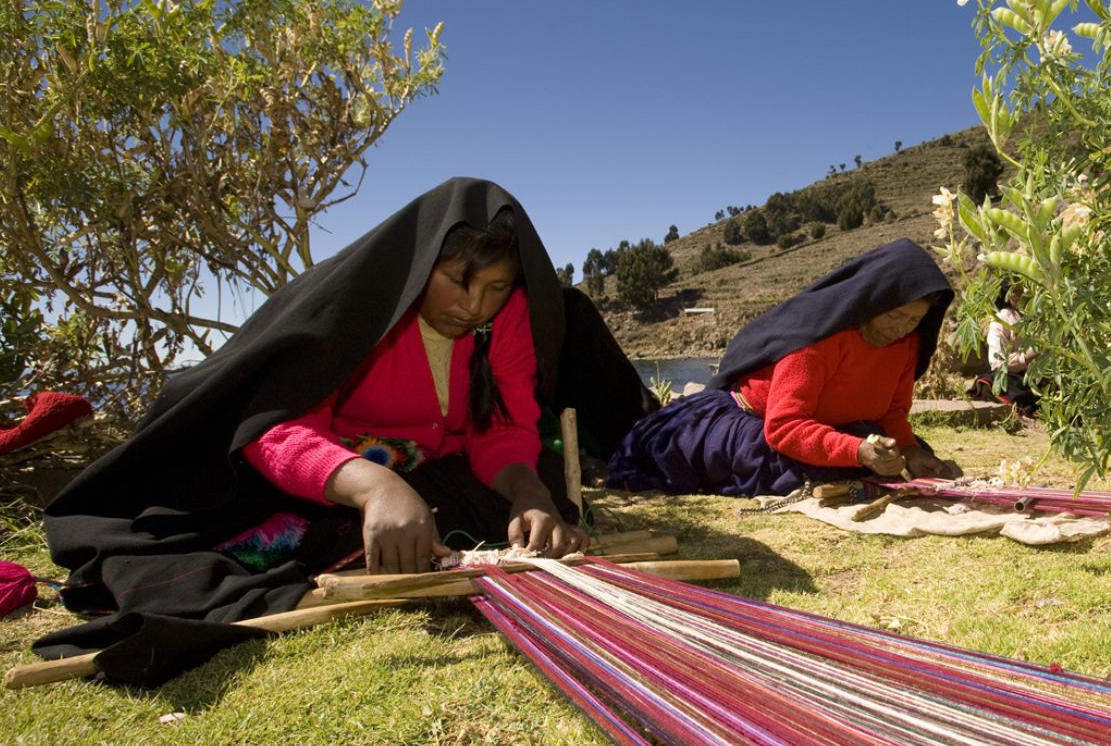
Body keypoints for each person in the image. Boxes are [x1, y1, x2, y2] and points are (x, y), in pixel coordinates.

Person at [35, 178, 655, 684]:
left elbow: (502, 428)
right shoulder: (364, 309)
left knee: (537, 494)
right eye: (456, 281)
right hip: (329, 470)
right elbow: (274, 427)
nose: (474, 305)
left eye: (494, 288)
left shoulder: (508, 319)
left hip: (432, 469)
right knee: (222, 543)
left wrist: (530, 495)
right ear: (420, 268)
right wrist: (372, 488)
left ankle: (420, 523)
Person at [608, 238, 962, 496]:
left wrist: (909, 450)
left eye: (914, 319)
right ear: (870, 302)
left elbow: (893, 412)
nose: (901, 327)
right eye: (894, 314)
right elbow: (785, 427)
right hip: (756, 427)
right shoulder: (818, 340)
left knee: (880, 460)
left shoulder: (905, 344)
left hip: (827, 429)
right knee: (810, 471)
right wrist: (857, 450)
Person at [983, 295, 1039, 414]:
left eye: (1024, 287)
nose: (1021, 293)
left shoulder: (1042, 315)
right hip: (1013, 376)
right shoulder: (1001, 319)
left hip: (1040, 376)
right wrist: (1027, 356)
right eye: (1015, 290)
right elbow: (997, 361)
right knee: (991, 381)